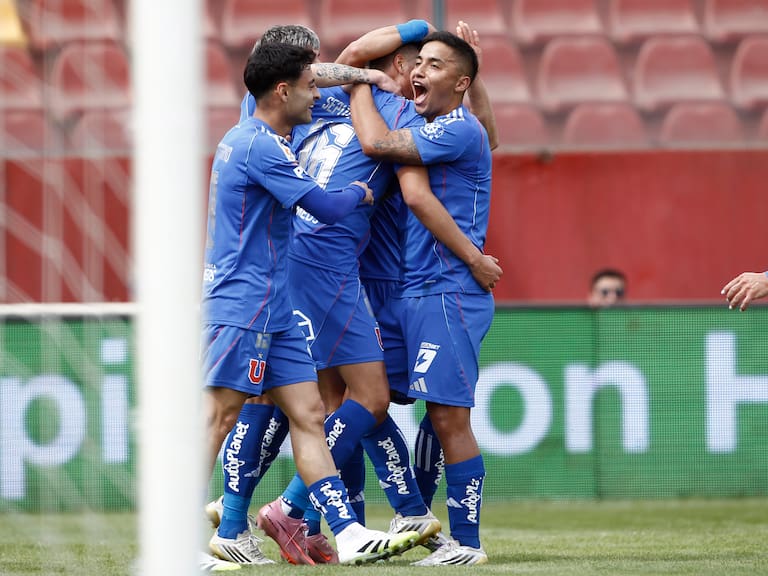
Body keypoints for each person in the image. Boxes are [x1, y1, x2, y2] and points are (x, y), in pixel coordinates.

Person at [201, 40, 420, 567]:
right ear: (283, 89)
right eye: (307, 85)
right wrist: (363, 195)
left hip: (274, 306)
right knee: (219, 417)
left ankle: (346, 533)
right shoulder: (261, 146)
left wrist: (361, 79)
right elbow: (323, 204)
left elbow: (319, 76)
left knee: (309, 414)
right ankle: (177, 536)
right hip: (244, 303)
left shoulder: (250, 135)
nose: (314, 94)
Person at [349, 30, 503, 565]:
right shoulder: (453, 126)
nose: (419, 70)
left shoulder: (455, 131)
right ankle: (412, 510)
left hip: (448, 290)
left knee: (448, 418)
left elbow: (378, 149)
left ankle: (467, 543)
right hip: (416, 289)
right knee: (372, 400)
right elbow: (490, 134)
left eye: (434, 65)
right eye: (419, 62)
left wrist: (360, 82)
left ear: (458, 83)